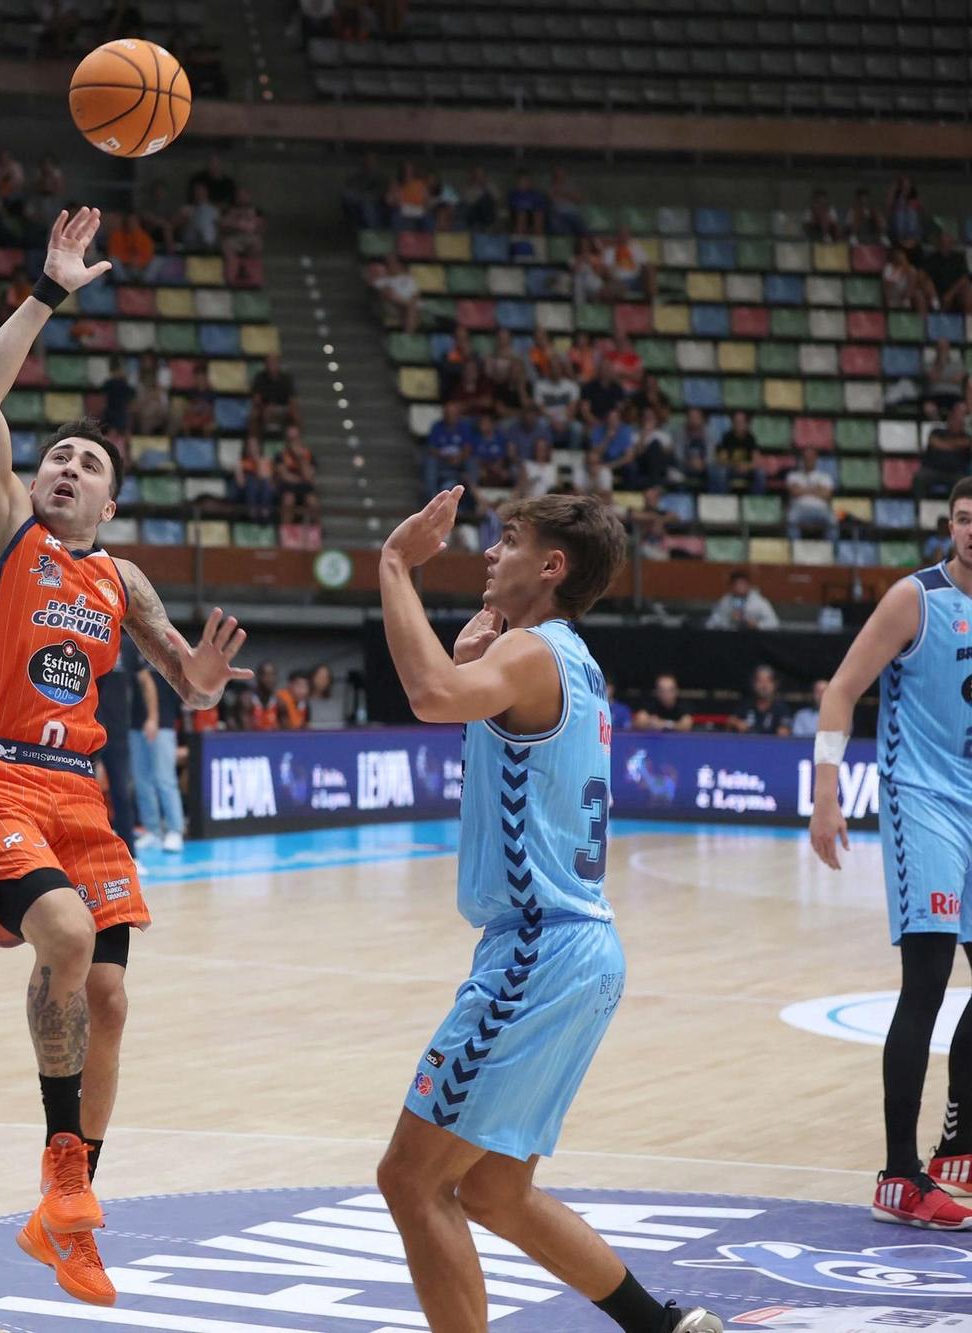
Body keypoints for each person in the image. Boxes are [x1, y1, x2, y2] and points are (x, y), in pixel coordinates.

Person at [0, 206, 252, 1308]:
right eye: (57, 455)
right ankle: (63, 1173)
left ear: (111, 503)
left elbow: (178, 670)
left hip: (81, 795)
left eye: (87, 464)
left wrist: (199, 682)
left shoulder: (118, 579)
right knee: (63, 936)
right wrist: (48, 292)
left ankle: (65, 1219)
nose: (65, 466)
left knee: (108, 1001)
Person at [373, 487, 723, 1333]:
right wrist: (466, 660)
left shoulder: (534, 652)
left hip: (538, 949)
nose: (491, 553)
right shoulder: (568, 656)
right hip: (579, 949)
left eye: (509, 540)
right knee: (496, 1187)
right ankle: (663, 1326)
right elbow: (469, 702)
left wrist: (392, 564)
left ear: (552, 565)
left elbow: (428, 693)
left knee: (412, 1179)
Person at [810, 476, 972, 1229]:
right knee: (929, 978)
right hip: (922, 799)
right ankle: (899, 1175)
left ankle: (957, 1149)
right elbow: (841, 690)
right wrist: (826, 791)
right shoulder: (916, 598)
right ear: (950, 526)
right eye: (964, 519)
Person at [130, 657, 185, 852]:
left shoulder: (166, 647)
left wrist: (159, 719)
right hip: (134, 722)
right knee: (142, 781)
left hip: (163, 723)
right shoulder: (131, 648)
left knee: (165, 779)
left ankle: (175, 830)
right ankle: (152, 830)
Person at [705, 570, 779, 631]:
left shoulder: (760, 602)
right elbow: (711, 623)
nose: (739, 587)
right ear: (731, 586)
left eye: (742, 584)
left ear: (748, 585)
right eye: (736, 584)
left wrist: (756, 624)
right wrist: (729, 620)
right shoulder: (726, 601)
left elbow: (774, 623)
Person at [733, 664, 792, 736]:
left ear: (775, 684)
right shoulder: (746, 704)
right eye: (760, 681)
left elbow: (785, 732)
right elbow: (731, 721)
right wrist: (736, 723)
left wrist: (783, 731)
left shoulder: (781, 708)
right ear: (754, 684)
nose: (764, 685)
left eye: (768, 681)